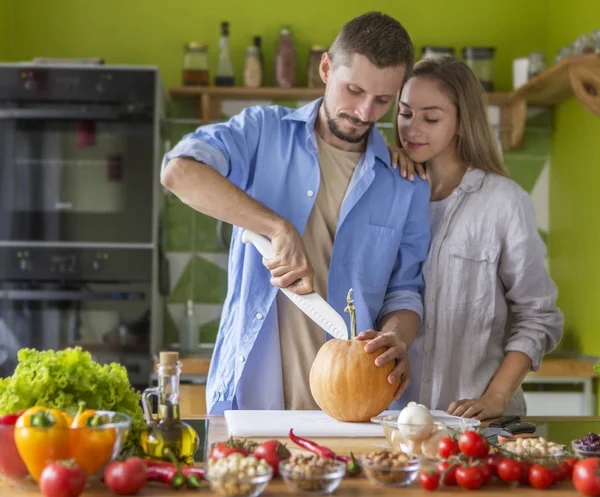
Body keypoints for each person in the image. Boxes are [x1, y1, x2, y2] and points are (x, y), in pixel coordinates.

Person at [160, 12, 431, 415]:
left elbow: (406, 291)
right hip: (248, 402)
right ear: (326, 68)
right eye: (353, 90)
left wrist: (396, 338)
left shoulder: (405, 182)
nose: (363, 112)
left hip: (355, 411)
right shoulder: (260, 132)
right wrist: (277, 227)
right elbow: (179, 171)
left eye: (382, 101)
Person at [389, 56, 563, 419]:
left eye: (431, 118)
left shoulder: (505, 202)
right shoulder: (386, 195)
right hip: (394, 420)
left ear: (462, 123)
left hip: (480, 425)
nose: (412, 128)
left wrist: (497, 397)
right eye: (405, 113)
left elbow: (538, 316)